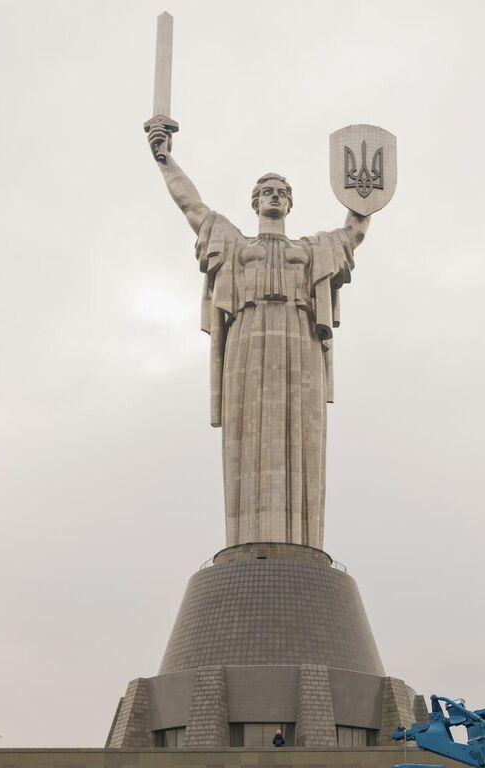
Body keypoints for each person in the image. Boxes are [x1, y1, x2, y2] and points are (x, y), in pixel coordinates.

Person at [146, 124, 369, 551]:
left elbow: (353, 233)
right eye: (266, 190)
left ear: (289, 203)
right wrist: (165, 160)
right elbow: (191, 205)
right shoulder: (233, 244)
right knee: (247, 436)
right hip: (247, 339)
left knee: (301, 432)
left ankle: (300, 542)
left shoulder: (311, 249)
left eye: (281, 192)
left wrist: (365, 200)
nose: (274, 196)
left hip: (298, 335)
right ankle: (248, 542)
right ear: (255, 201)